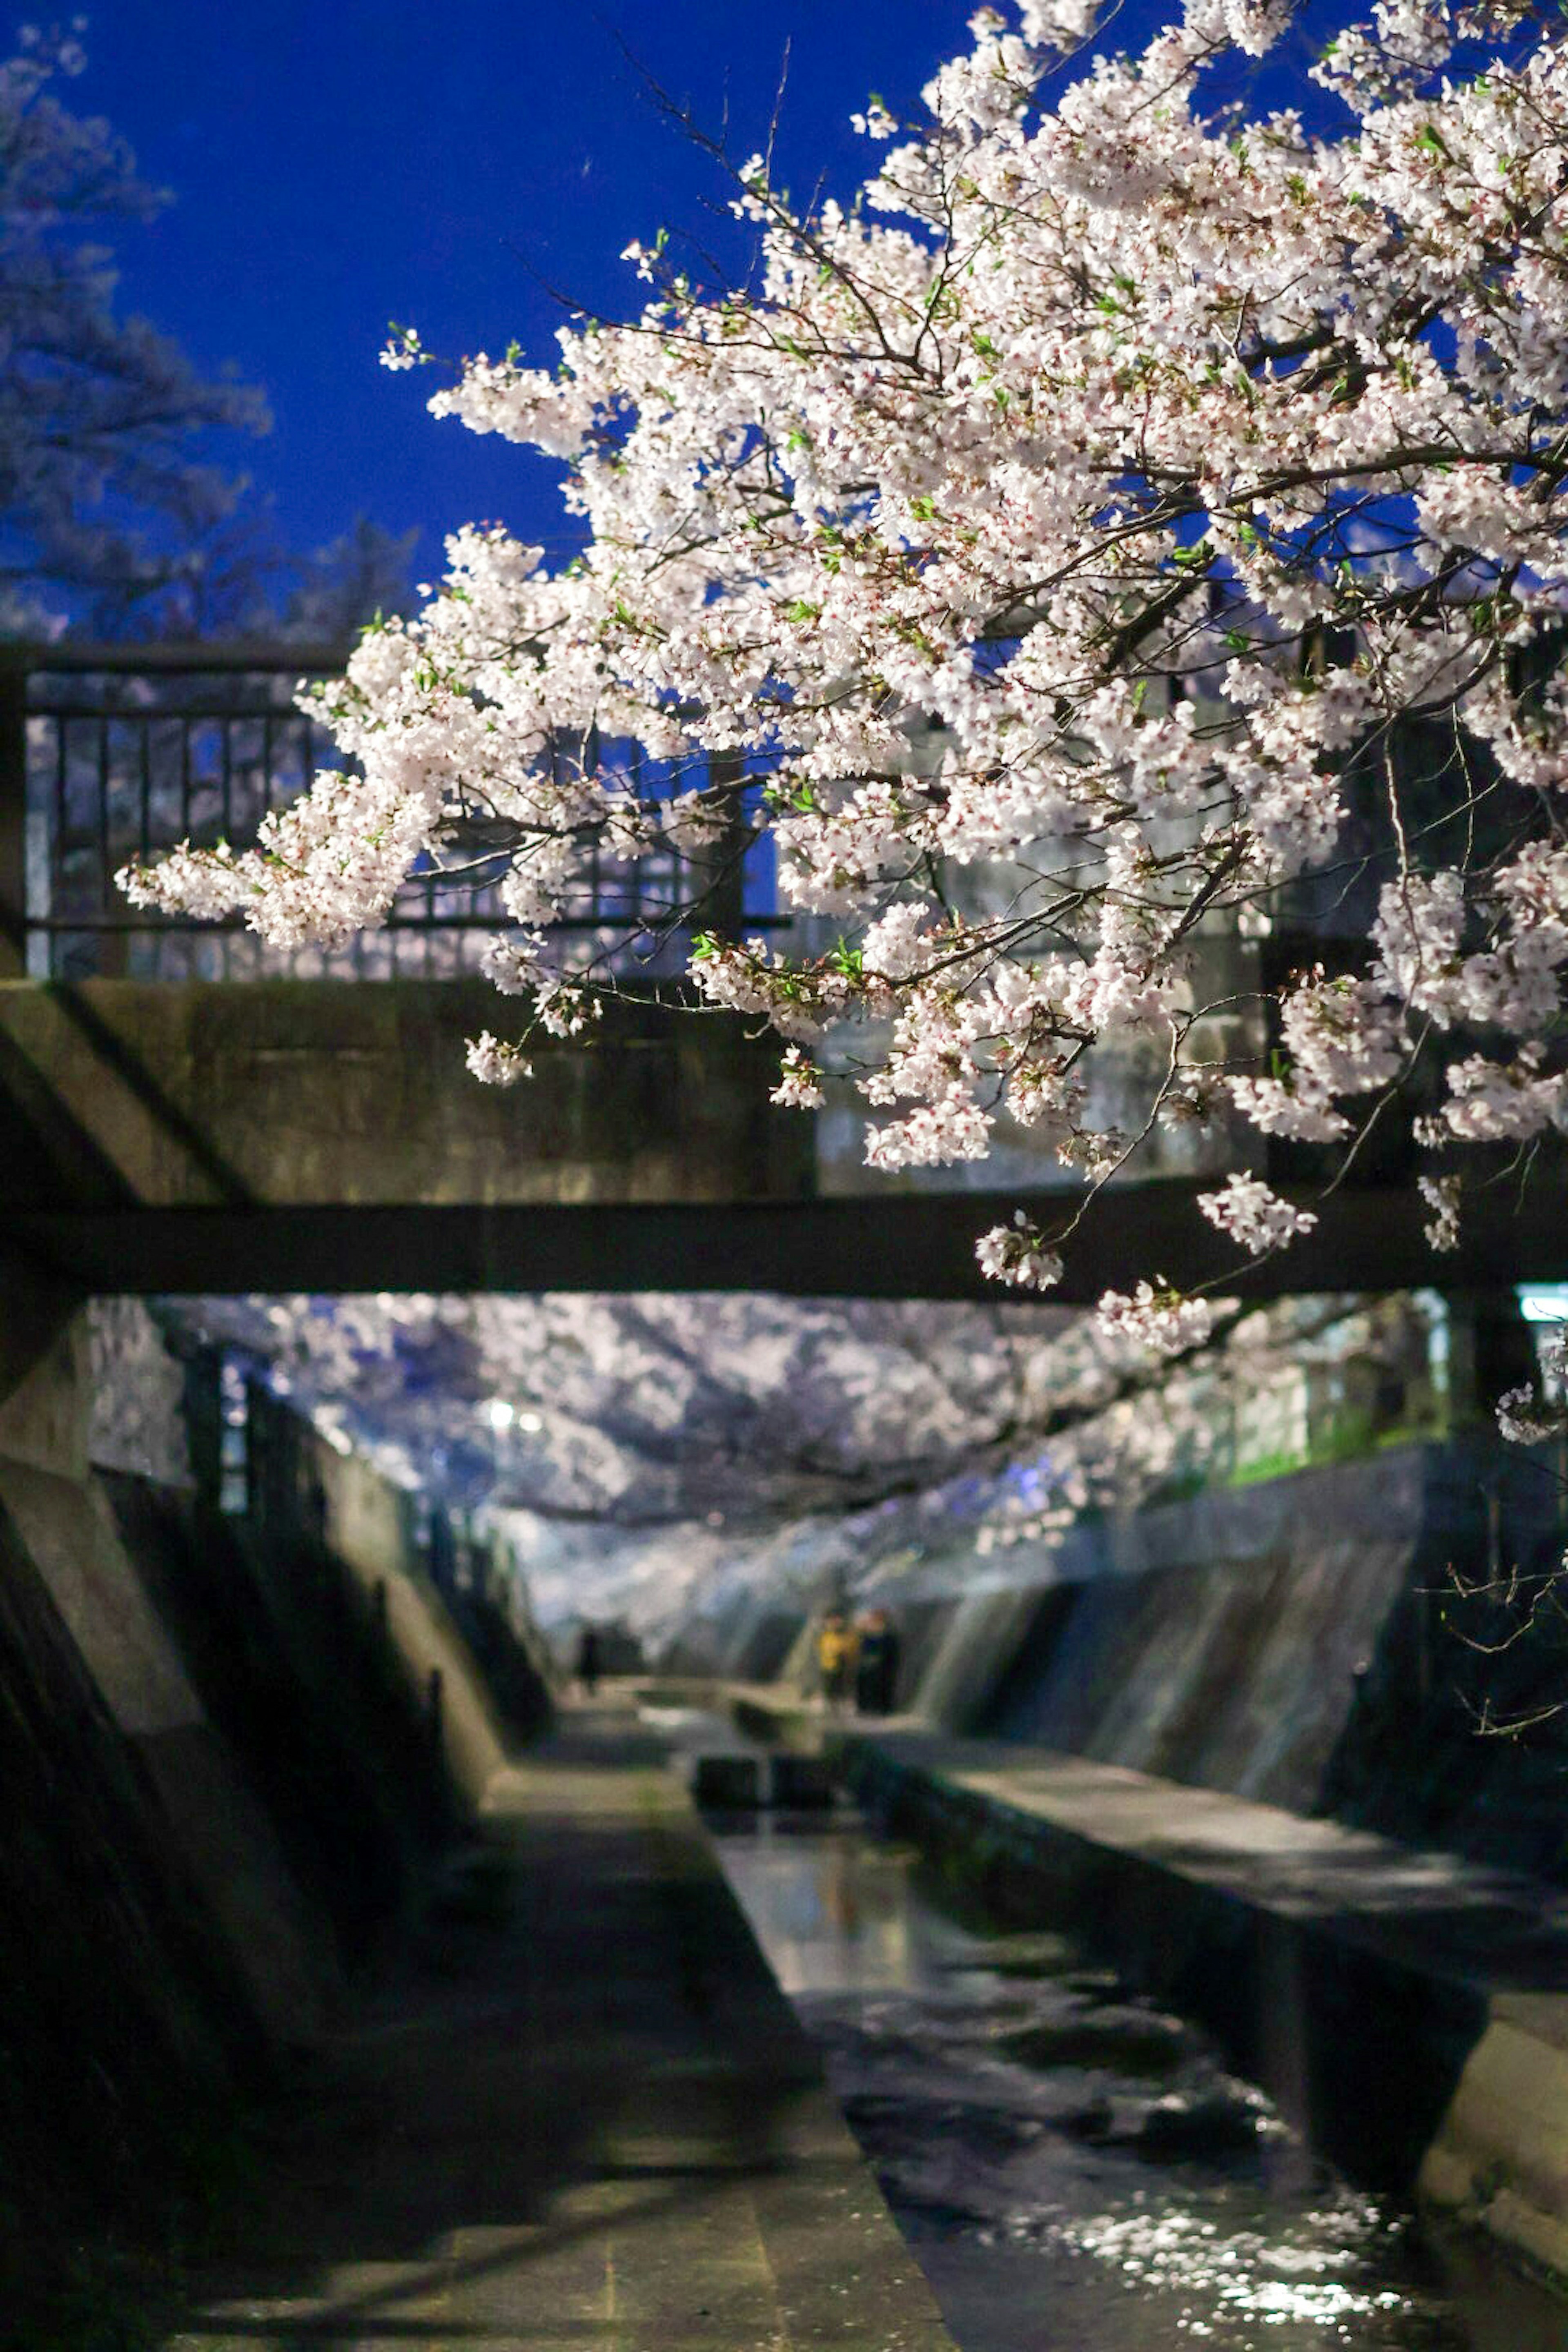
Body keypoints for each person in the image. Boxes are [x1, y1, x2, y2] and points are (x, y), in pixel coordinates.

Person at [854, 1608, 901, 1717]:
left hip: (883, 1667)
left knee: (883, 1686)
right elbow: (862, 1650)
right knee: (865, 1686)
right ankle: (866, 1707)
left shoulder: (889, 1635)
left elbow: (893, 1653)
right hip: (868, 1666)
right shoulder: (867, 1635)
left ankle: (882, 1708)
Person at [816, 1607, 857, 1710]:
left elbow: (852, 1649)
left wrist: (845, 1653)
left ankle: (842, 1705)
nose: (835, 1623)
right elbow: (822, 1649)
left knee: (842, 1687)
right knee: (829, 1687)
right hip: (828, 1665)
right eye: (831, 1620)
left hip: (844, 1666)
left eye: (837, 1620)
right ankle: (830, 1705)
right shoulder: (825, 1635)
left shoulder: (847, 1635)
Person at [575, 1622, 601, 1697]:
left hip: (589, 1659)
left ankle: (590, 1691)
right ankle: (590, 1692)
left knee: (589, 1678)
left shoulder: (587, 1638)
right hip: (590, 1659)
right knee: (590, 1678)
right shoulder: (591, 1638)